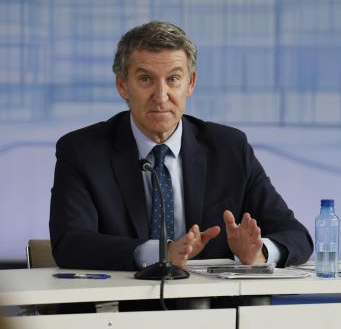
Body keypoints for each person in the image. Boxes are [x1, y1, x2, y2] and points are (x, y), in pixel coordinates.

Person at [50, 21, 312, 271]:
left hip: (212, 300)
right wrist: (161, 253)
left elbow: (296, 236)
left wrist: (258, 253)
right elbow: (70, 244)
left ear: (191, 83)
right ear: (122, 86)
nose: (161, 96)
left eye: (173, 79)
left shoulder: (229, 148)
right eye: (145, 79)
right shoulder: (82, 151)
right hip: (121, 299)